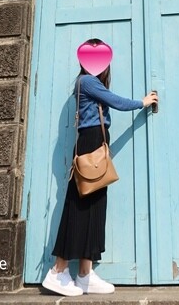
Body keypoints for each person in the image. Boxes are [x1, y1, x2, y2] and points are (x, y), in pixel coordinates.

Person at [42, 39, 158, 296]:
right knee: (78, 206)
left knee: (95, 209)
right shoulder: (86, 82)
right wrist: (142, 102)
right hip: (89, 143)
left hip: (96, 143)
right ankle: (58, 271)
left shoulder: (90, 83)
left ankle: (85, 274)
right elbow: (116, 102)